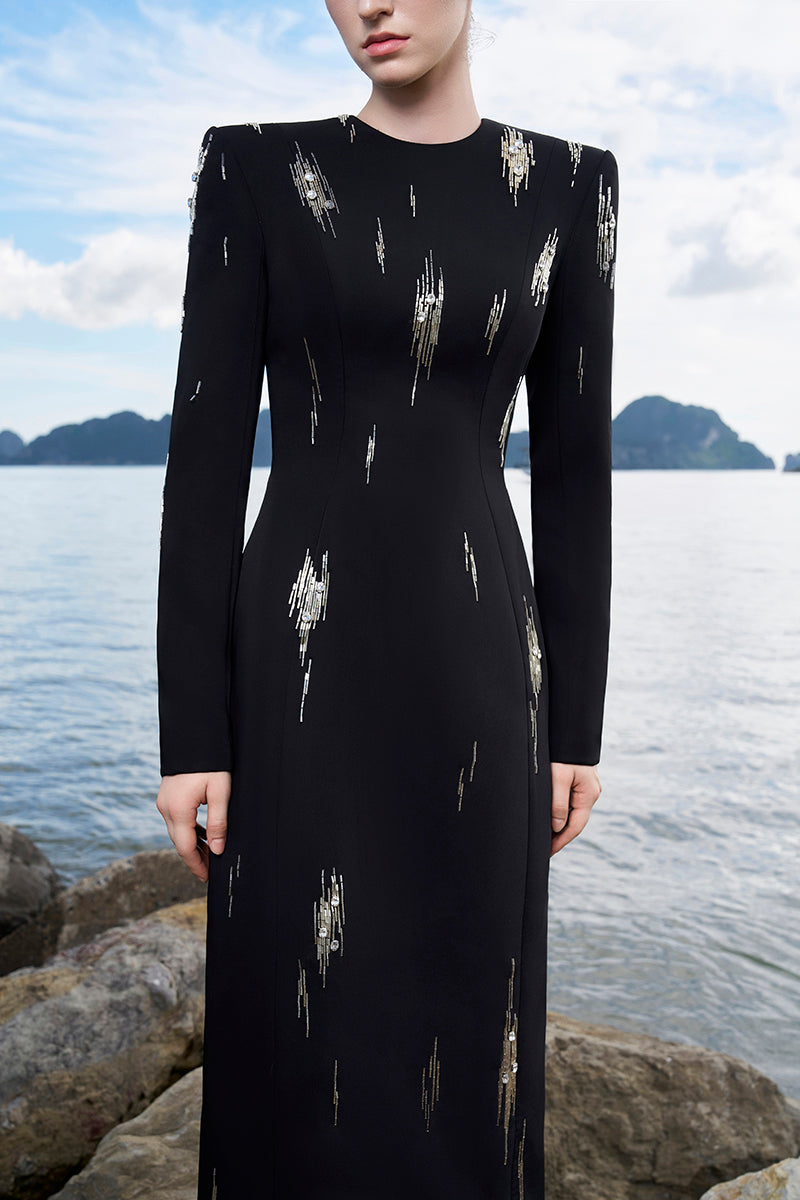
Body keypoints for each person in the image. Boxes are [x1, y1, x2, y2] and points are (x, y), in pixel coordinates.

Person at [155, 1, 619, 1196]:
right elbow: (203, 461)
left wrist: (575, 726)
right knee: (292, 1023)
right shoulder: (254, 169)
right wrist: (191, 735)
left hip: (481, 671)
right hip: (297, 666)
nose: (370, 4)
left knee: (467, 1031)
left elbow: (574, 472)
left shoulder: (571, 187)